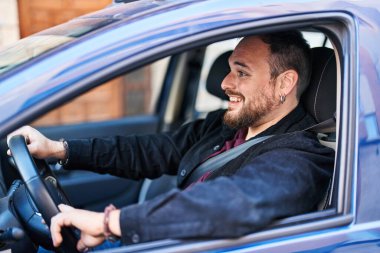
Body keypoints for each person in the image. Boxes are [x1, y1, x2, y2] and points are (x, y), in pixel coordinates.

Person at [7, 31, 335, 252]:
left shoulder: (300, 157)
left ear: (285, 83)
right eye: (229, 70)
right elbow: (152, 150)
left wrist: (110, 223)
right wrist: (60, 149)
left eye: (241, 72)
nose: (224, 82)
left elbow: (230, 203)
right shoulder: (225, 127)